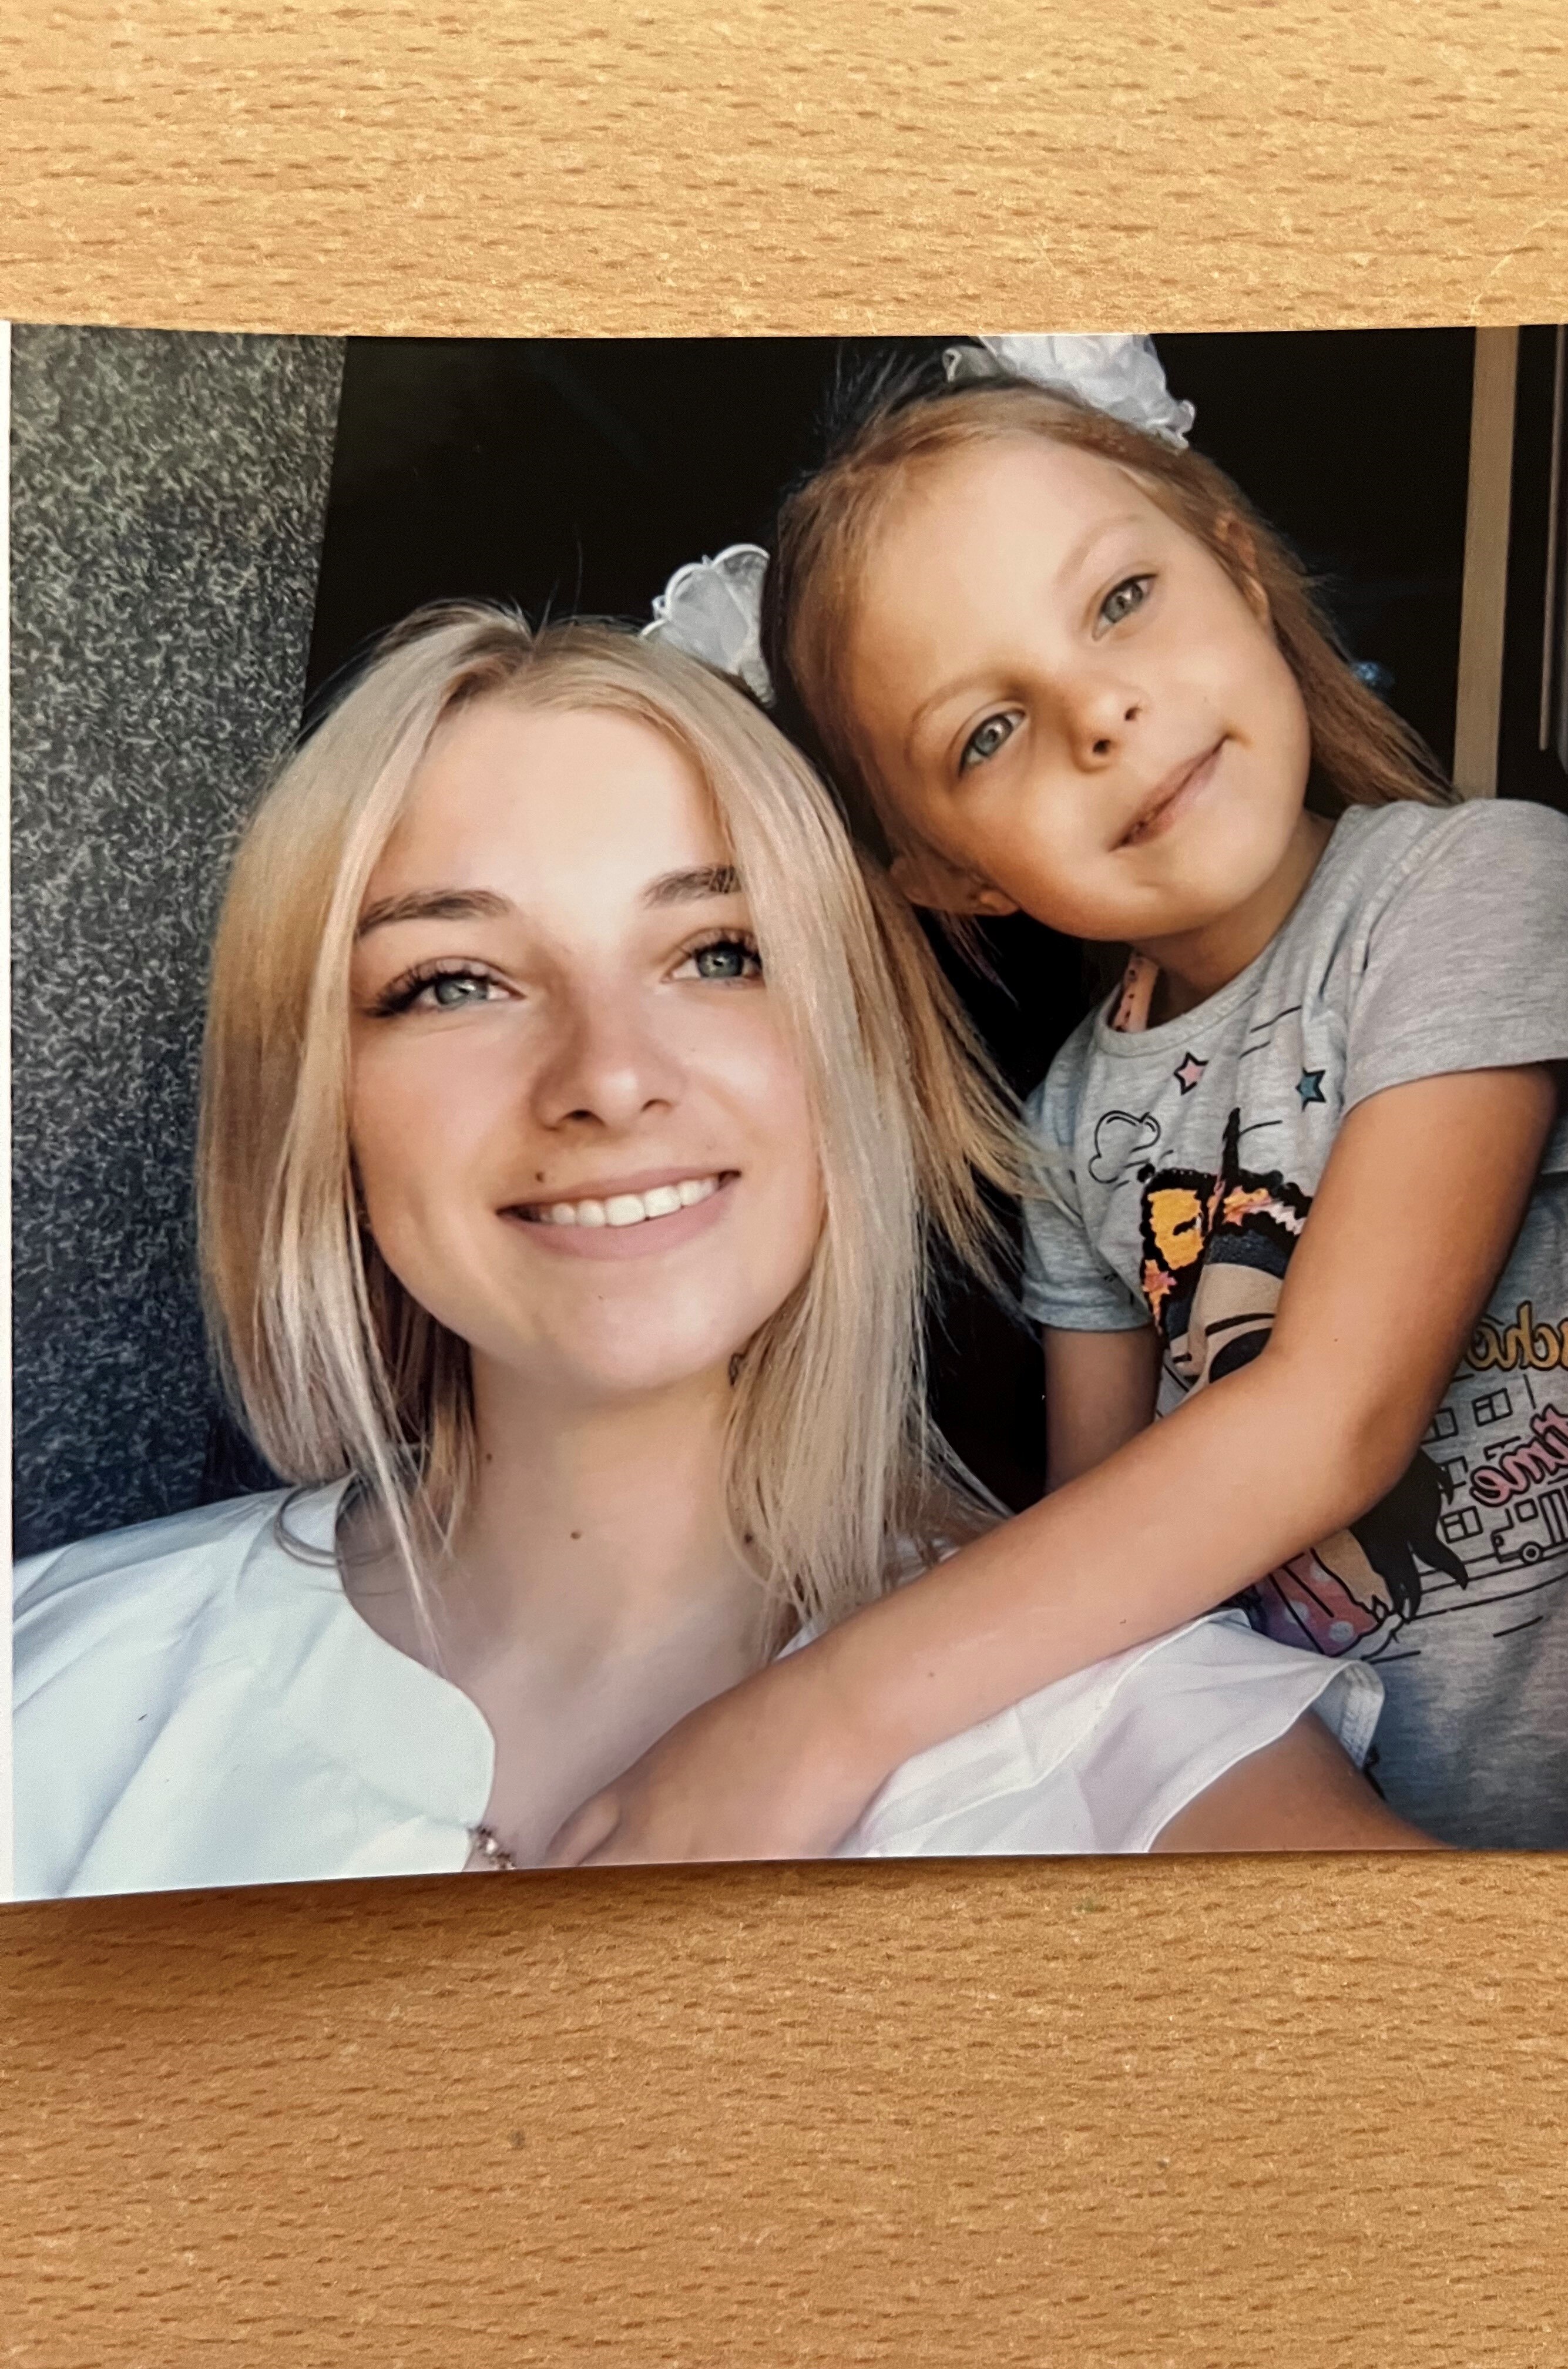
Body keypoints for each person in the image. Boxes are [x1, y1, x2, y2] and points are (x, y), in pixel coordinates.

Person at [11, 607, 1426, 1900]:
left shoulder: (1168, 1779)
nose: (612, 1076)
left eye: (719, 953)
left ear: (851, 1054)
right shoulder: (51, 1686)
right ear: (316, 1097)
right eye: (452, 982)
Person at [549, 337, 1568, 1865]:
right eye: (988, 733)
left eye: (1122, 600)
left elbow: (1334, 1418)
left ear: (1240, 574)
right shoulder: (1066, 1121)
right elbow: (1108, 1573)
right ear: (948, 873)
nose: (1102, 715)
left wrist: (826, 1713)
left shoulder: (1482, 883)